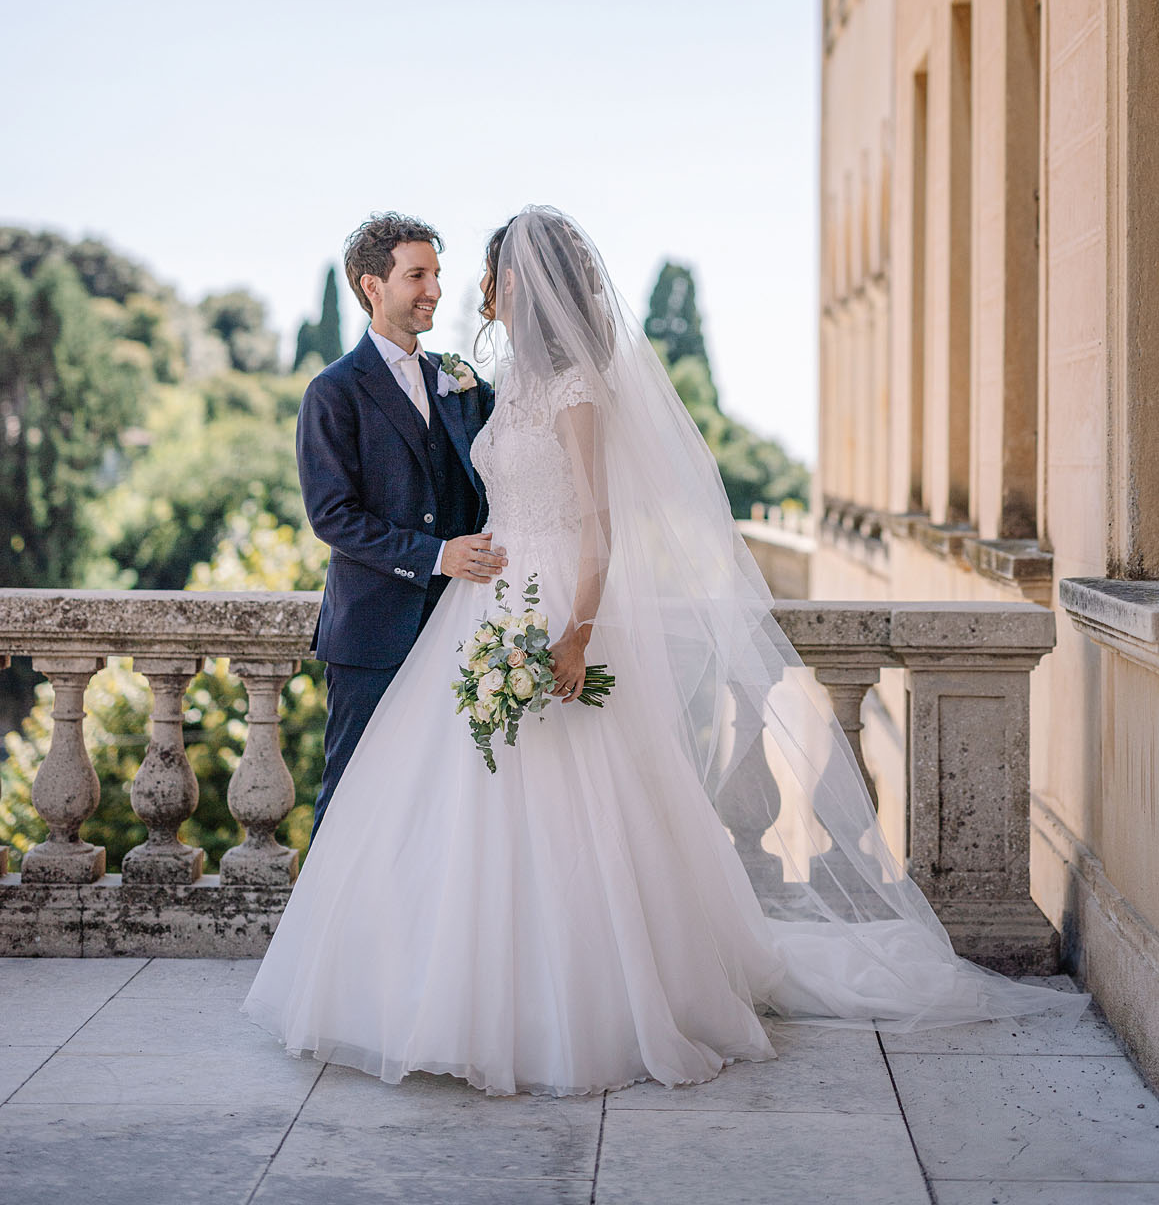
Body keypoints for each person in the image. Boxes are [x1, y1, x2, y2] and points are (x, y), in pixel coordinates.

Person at [246, 207, 1082, 1093]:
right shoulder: (452, 385)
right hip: (469, 608)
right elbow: (346, 513)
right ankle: (411, 980)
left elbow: (594, 528)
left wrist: (573, 632)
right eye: (420, 275)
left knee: (564, 807)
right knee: (422, 806)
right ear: (374, 284)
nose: (453, 290)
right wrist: (454, 561)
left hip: (542, 600)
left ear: (523, 283)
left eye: (465, 273)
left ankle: (564, 999)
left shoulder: (548, 386)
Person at [296, 213, 504, 836]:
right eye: (416, 275)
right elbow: (332, 517)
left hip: (460, 629)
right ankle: (329, 934)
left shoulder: (462, 381)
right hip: (372, 633)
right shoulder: (332, 392)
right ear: (371, 287)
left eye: (437, 274)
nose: (434, 290)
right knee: (352, 796)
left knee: (441, 805)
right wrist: (437, 555)